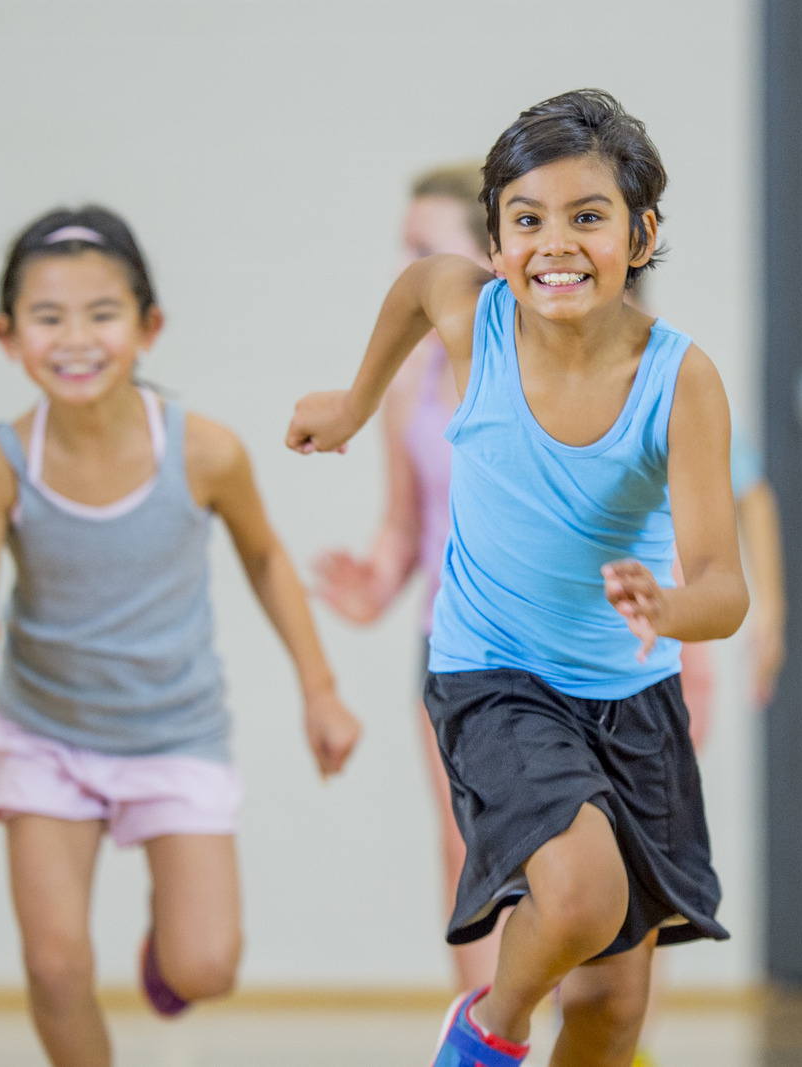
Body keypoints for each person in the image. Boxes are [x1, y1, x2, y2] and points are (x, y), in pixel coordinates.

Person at [289, 89, 746, 1067]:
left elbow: (724, 587)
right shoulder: (475, 319)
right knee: (580, 894)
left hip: (630, 694)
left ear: (641, 231)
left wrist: (667, 604)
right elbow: (422, 280)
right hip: (494, 676)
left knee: (615, 1004)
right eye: (526, 220)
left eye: (587, 216)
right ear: (496, 238)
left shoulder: (679, 379)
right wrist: (356, 402)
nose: (555, 244)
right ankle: (488, 1026)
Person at [0, 207, 360, 1067]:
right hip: (46, 736)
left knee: (205, 965)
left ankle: (167, 955)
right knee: (55, 967)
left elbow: (266, 558)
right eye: (47, 318)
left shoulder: (204, 453)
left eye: (102, 314)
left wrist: (319, 689)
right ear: (7, 335)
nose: (76, 339)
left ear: (148, 327)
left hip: (175, 731)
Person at [311, 161, 509, 990]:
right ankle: (484, 1034)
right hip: (450, 639)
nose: (409, 274)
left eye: (425, 251)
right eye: (405, 252)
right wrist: (375, 577)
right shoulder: (412, 383)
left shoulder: (543, 370)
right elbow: (406, 523)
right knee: (466, 839)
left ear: (490, 257)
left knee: (571, 856)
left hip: (553, 639)